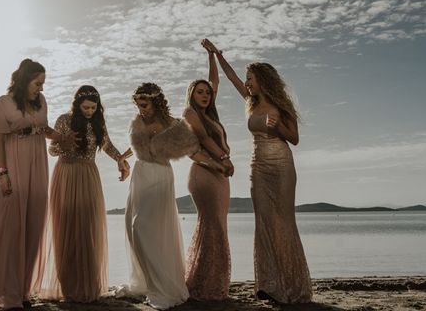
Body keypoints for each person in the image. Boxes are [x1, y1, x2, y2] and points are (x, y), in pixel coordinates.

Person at [202, 39, 312, 304]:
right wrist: (215, 54)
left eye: (250, 78)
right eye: (247, 78)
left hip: (282, 165)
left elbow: (294, 138)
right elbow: (230, 78)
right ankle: (267, 285)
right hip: (258, 167)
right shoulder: (250, 101)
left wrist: (277, 127)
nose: (247, 82)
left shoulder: (282, 105)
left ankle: (291, 284)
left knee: (283, 221)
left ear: (262, 79)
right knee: (263, 221)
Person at [0, 59, 73, 310]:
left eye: (43, 84)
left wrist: (61, 138)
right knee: (10, 228)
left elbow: (43, 128)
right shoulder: (3, 103)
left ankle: (23, 291)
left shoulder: (41, 102)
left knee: (33, 224)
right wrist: (2, 174)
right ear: (24, 80)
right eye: (37, 83)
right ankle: (4, 291)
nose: (41, 89)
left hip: (37, 164)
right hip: (13, 164)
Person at [121, 82, 225, 310]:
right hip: (140, 176)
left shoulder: (174, 124)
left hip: (160, 176)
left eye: (145, 104)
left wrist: (215, 164)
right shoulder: (137, 122)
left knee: (142, 227)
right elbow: (136, 144)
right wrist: (122, 157)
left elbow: (193, 151)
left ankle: (163, 286)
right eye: (138, 104)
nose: (141, 109)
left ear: (156, 101)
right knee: (131, 227)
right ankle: (145, 282)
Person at [41, 85, 130, 303]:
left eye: (93, 107)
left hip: (89, 174)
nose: (90, 111)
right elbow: (52, 150)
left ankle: (88, 284)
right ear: (77, 105)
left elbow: (107, 146)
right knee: (67, 226)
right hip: (67, 173)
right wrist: (64, 142)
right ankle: (69, 286)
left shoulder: (98, 123)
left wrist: (120, 160)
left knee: (87, 227)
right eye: (86, 107)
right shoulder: (64, 120)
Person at [183, 43, 234, 300]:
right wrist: (223, 159)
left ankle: (213, 283)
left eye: (207, 93)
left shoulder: (210, 113)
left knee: (218, 226)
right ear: (191, 95)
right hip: (204, 173)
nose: (205, 95)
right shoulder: (190, 113)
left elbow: (215, 82)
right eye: (200, 92)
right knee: (212, 224)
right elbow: (202, 138)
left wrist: (211, 55)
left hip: (221, 174)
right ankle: (203, 285)